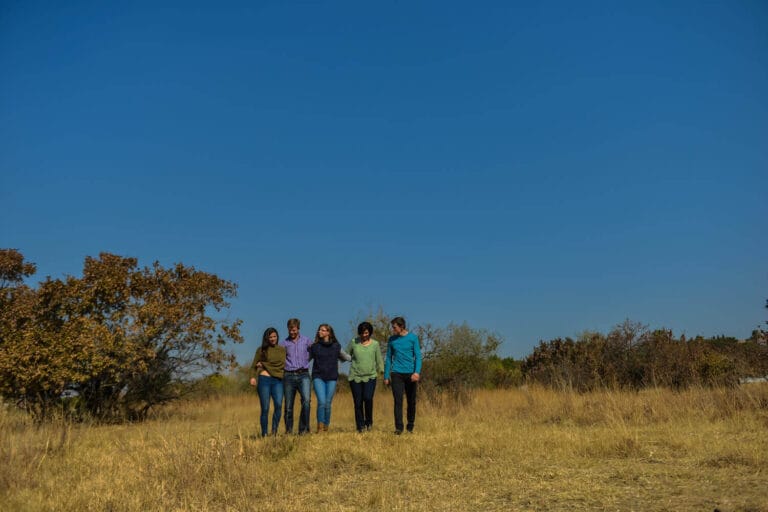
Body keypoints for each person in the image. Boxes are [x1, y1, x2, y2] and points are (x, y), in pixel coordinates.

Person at [308, 323, 350, 433]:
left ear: (328, 333)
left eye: (322, 330)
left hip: (331, 377)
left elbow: (345, 357)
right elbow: (306, 359)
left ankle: (326, 426)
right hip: (318, 377)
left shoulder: (336, 346)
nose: (319, 332)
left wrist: (356, 358)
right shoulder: (314, 346)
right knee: (321, 402)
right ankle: (320, 428)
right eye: (319, 330)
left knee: (327, 402)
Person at [384, 316, 422, 435]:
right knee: (398, 400)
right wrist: (386, 375)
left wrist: (416, 372)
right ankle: (399, 428)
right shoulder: (391, 340)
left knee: (411, 401)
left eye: (394, 327)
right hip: (396, 373)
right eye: (392, 327)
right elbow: (389, 358)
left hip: (410, 374)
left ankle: (410, 425)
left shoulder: (413, 338)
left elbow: (418, 357)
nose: (393, 329)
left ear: (402, 327)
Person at [346, 321, 384, 433]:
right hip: (355, 377)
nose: (364, 335)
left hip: (370, 376)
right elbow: (346, 354)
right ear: (359, 333)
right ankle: (360, 426)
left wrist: (383, 372)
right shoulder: (354, 342)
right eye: (362, 333)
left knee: (368, 398)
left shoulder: (375, 344)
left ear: (370, 332)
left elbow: (379, 360)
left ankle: (369, 423)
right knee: (357, 402)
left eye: (366, 333)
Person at [250, 327, 286, 437]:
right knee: (265, 408)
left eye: (274, 336)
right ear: (267, 338)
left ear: (277, 337)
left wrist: (264, 364)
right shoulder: (261, 350)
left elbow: (282, 365)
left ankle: (274, 432)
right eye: (270, 337)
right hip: (264, 380)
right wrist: (252, 377)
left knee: (279, 405)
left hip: (278, 381)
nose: (273, 339)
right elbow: (253, 366)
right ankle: (264, 434)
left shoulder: (282, 350)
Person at [280, 318, 313, 434]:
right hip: (288, 375)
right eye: (290, 330)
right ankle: (289, 431)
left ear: (298, 328)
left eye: (294, 330)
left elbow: (316, 350)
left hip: (303, 374)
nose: (292, 332)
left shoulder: (307, 341)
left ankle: (303, 429)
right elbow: (278, 358)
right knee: (288, 406)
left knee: (306, 401)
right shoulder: (284, 343)